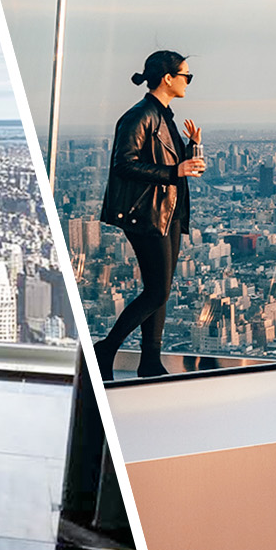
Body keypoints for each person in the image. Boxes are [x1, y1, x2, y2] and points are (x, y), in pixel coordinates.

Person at [91, 50, 205, 381]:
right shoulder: (139, 116)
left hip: (168, 212)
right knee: (157, 291)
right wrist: (174, 171)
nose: (188, 81)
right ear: (167, 78)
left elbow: (167, 163)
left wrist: (192, 148)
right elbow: (124, 163)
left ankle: (149, 361)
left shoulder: (164, 115)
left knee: (162, 289)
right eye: (186, 75)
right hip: (147, 213)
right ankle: (106, 349)